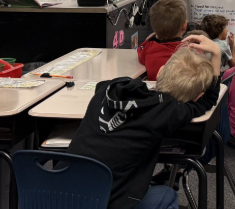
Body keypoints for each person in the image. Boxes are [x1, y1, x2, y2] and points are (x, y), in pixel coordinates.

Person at [68, 36, 221, 209]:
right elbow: (209, 100)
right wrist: (216, 54)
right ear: (196, 97)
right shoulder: (168, 111)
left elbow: (102, 86)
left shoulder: (113, 88)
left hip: (59, 191)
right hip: (107, 201)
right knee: (167, 195)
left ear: (161, 71)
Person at [137, 0, 186, 81]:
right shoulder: (189, 50)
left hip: (156, 92)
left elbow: (140, 50)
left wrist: (149, 40)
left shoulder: (149, 47)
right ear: (184, 26)